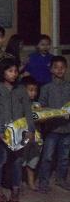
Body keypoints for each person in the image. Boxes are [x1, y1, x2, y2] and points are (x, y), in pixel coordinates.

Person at [0, 58, 35, 202]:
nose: (14, 74)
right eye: (10, 71)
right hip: (3, 132)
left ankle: (16, 188)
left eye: (16, 71)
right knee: (1, 160)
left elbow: (28, 111)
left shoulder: (21, 90)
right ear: (3, 72)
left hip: (20, 132)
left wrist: (30, 129)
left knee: (17, 160)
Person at [38, 55, 70, 193]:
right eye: (56, 67)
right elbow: (41, 107)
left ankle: (61, 179)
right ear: (51, 69)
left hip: (67, 128)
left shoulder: (69, 86)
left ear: (66, 69)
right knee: (47, 157)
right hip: (51, 129)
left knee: (64, 157)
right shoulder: (46, 88)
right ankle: (43, 182)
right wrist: (53, 112)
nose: (59, 70)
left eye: (62, 67)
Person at [20, 76, 41, 191]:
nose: (33, 93)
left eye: (35, 90)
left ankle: (31, 182)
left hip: (37, 138)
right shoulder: (20, 105)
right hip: (24, 138)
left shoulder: (37, 105)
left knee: (33, 160)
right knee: (22, 159)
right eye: (30, 90)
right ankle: (20, 182)